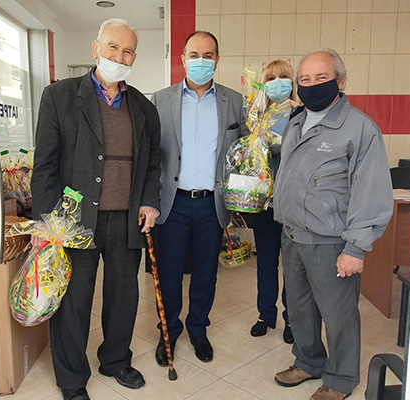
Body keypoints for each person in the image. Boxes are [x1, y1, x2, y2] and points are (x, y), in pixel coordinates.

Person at [31, 18, 161, 400]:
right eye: (112, 47)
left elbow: (153, 162)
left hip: (126, 219)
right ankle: (72, 379)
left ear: (134, 57)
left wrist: (150, 201)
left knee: (124, 297)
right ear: (96, 48)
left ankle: (116, 360)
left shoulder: (143, 107)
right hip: (73, 220)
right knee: (74, 300)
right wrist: (46, 223)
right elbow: (45, 166)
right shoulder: (59, 96)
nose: (119, 57)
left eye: (128, 51)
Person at [272, 49, 393, 400]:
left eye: (321, 78)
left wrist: (355, 248)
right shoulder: (296, 123)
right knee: (299, 308)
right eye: (304, 79)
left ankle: (340, 378)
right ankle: (308, 362)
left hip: (331, 242)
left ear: (339, 81)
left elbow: (370, 192)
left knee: (338, 315)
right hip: (292, 236)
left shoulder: (360, 129)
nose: (311, 85)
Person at [151, 31, 249, 366]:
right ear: (182, 59)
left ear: (217, 60)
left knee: (206, 272)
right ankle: (168, 331)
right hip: (172, 203)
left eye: (208, 55)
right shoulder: (161, 100)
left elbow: (246, 149)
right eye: (194, 55)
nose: (201, 61)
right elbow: (151, 154)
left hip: (212, 203)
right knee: (169, 273)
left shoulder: (234, 101)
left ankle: (197, 329)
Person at [249, 59, 297, 344]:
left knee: (292, 266)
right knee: (265, 263)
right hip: (264, 205)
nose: (277, 82)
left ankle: (292, 318)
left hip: (292, 205)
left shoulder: (301, 114)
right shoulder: (256, 116)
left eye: (283, 77)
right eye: (271, 78)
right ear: (263, 83)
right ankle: (265, 315)